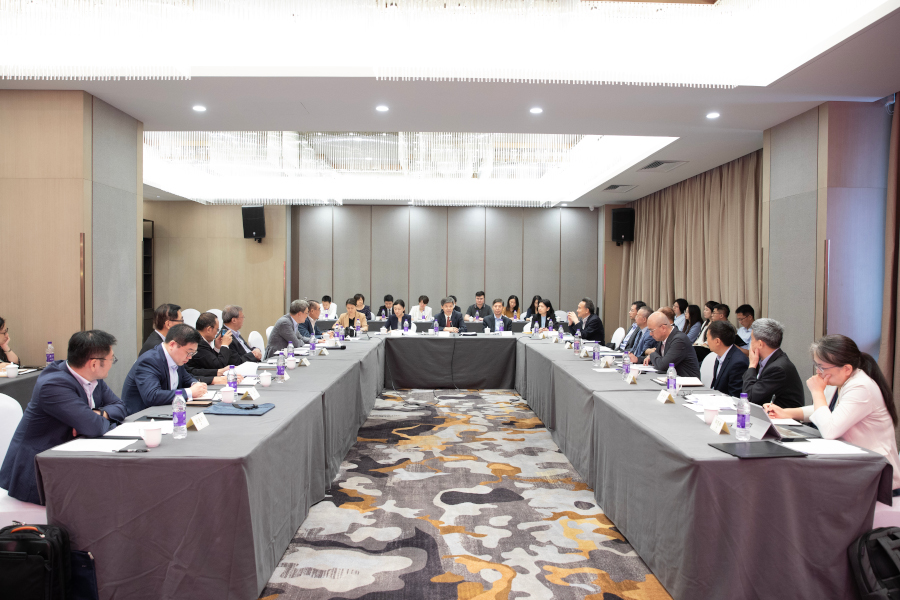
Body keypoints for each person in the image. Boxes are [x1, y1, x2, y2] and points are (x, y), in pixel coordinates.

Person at [0, 330, 127, 505]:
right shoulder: (53, 384)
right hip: (38, 474)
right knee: (102, 498)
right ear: (94, 364)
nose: (112, 363)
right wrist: (92, 421)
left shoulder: (93, 377)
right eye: (112, 359)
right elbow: (94, 427)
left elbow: (120, 406)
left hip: (68, 459)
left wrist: (99, 413)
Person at [765, 335, 900, 491]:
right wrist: (786, 413)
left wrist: (817, 392)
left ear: (847, 369)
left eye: (822, 367)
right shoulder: (839, 379)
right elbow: (825, 409)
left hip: (875, 471)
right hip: (853, 461)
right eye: (817, 365)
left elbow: (830, 430)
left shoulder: (861, 387)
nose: (818, 372)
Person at [121, 324, 208, 415]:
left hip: (164, 412)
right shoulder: (149, 361)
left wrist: (196, 385)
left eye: (193, 353)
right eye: (189, 352)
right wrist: (190, 392)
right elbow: (152, 396)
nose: (190, 357)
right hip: (141, 417)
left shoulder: (176, 358)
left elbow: (186, 378)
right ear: (172, 345)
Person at [741, 318, 804, 409]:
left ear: (760, 344)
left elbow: (749, 398)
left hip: (782, 417)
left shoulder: (778, 369)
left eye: (752, 339)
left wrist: (752, 366)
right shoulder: (770, 360)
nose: (750, 344)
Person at [187, 312, 243, 380]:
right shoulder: (198, 343)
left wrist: (217, 348)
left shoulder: (201, 340)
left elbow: (212, 361)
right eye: (217, 329)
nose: (217, 333)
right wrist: (224, 345)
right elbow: (219, 366)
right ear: (209, 329)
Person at [644, 311, 701, 377]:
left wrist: (651, 353)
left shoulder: (679, 340)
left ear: (663, 328)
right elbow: (657, 358)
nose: (650, 334)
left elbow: (663, 365)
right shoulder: (664, 338)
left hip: (687, 381)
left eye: (652, 330)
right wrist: (637, 359)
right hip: (673, 379)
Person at [707, 320, 749, 397]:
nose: (707, 341)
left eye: (707, 338)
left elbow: (735, 397)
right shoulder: (720, 356)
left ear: (717, 341)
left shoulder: (738, 363)